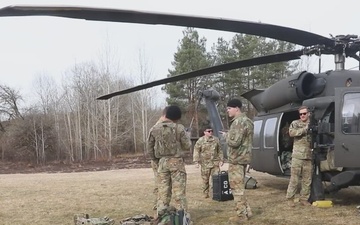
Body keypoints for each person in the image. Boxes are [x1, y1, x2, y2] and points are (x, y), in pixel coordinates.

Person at [147, 105, 192, 217]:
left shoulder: (154, 129)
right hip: (177, 163)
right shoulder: (179, 128)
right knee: (179, 193)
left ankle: (161, 217)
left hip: (162, 163)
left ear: (165, 114)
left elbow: (149, 148)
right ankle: (182, 219)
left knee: (163, 193)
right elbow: (187, 146)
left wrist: (156, 160)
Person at [221, 98, 254, 223]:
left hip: (237, 159)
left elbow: (235, 142)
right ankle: (247, 211)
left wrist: (226, 135)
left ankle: (241, 215)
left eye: (229, 108)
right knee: (239, 186)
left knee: (237, 188)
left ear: (237, 108)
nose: (228, 111)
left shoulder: (238, 122)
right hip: (244, 158)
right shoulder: (248, 121)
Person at [285, 106, 312, 207]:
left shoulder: (312, 124)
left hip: (309, 156)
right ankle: (290, 198)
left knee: (307, 179)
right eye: (301, 114)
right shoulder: (295, 123)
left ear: (308, 114)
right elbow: (291, 133)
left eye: (304, 113)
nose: (302, 116)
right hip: (297, 156)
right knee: (294, 179)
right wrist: (305, 129)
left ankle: (304, 199)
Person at [193, 126, 224, 198]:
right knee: (205, 180)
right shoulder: (200, 141)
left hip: (215, 163)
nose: (210, 132)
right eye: (208, 131)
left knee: (216, 179)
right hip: (205, 163)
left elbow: (220, 150)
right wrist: (196, 161)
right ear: (204, 132)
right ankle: (205, 194)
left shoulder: (216, 140)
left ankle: (216, 193)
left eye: (211, 131)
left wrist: (221, 160)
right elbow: (196, 150)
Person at [150, 106, 170, 210]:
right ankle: (158, 206)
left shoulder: (159, 126)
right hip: (159, 160)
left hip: (159, 159)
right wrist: (154, 159)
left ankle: (159, 205)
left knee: (160, 183)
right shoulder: (159, 127)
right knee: (161, 183)